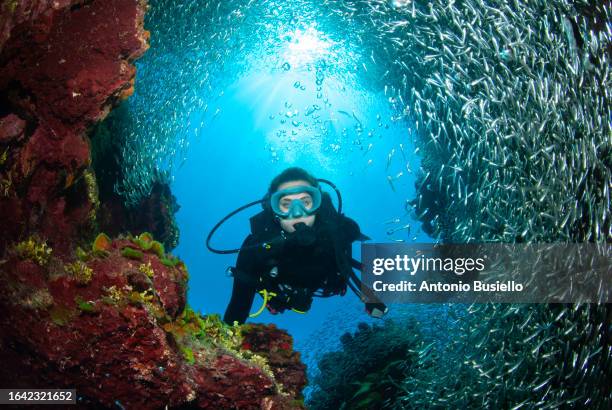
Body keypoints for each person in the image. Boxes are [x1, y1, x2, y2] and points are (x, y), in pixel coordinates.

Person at [222, 167, 388, 325]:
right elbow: (238, 308)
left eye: (306, 201)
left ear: (317, 205)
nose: (297, 212)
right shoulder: (256, 249)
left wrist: (372, 299)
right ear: (274, 211)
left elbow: (350, 264)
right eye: (286, 204)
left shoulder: (336, 232)